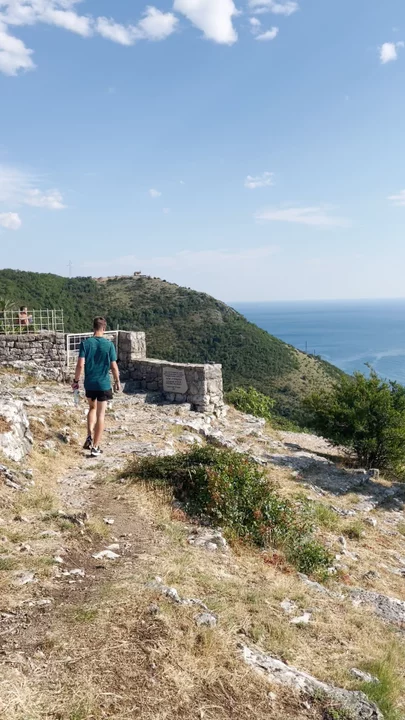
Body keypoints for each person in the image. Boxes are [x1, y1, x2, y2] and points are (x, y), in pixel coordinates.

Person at [72, 317, 120, 457]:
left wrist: (76, 380)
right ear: (104, 328)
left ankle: (89, 437)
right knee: (101, 415)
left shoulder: (85, 343)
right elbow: (114, 366)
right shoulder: (109, 345)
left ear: (93, 327)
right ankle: (95, 447)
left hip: (90, 384)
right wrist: (117, 381)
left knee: (92, 408)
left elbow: (80, 365)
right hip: (103, 384)